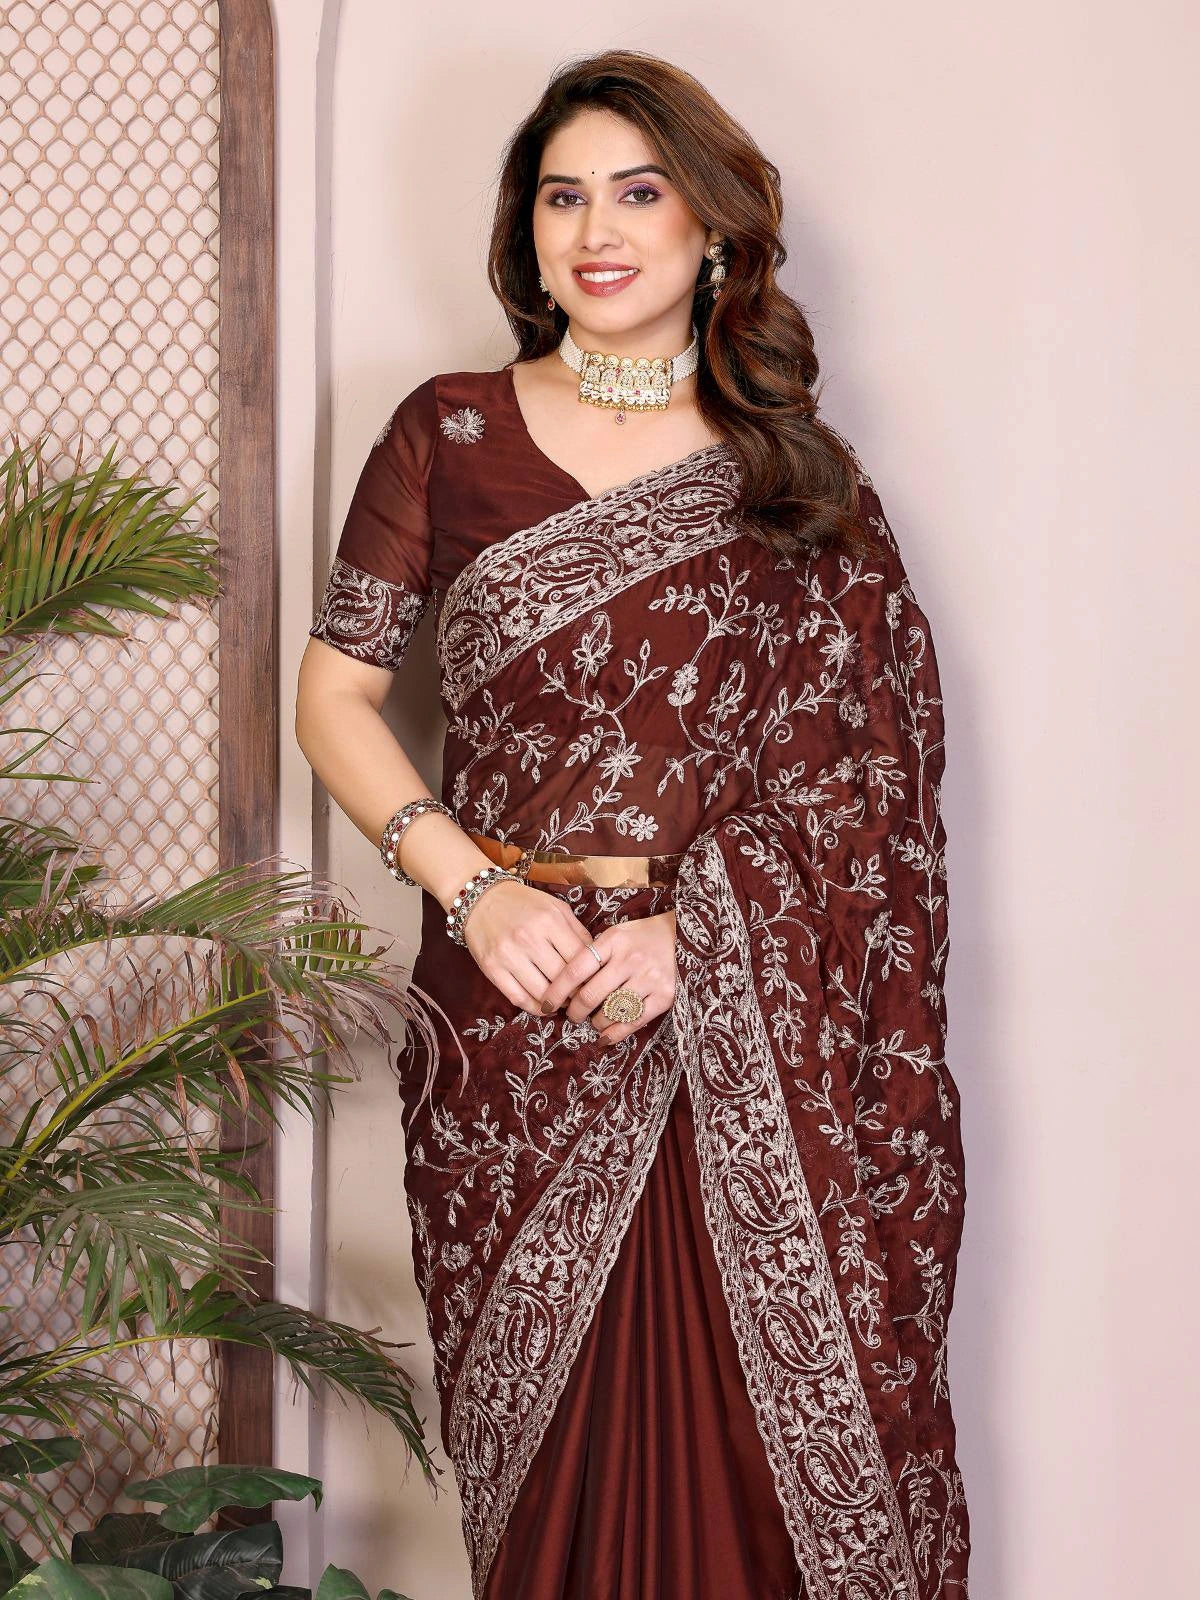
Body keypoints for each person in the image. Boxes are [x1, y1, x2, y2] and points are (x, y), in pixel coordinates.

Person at [295, 47, 972, 1600]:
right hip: (509, 1015)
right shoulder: (446, 434)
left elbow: (873, 784)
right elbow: (335, 698)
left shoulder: (793, 480)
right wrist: (470, 894)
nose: (595, 229)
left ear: (713, 231)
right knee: (549, 1497)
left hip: (735, 1029)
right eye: (560, 196)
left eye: (639, 191)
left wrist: (703, 939)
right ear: (525, 234)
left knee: (753, 1476)